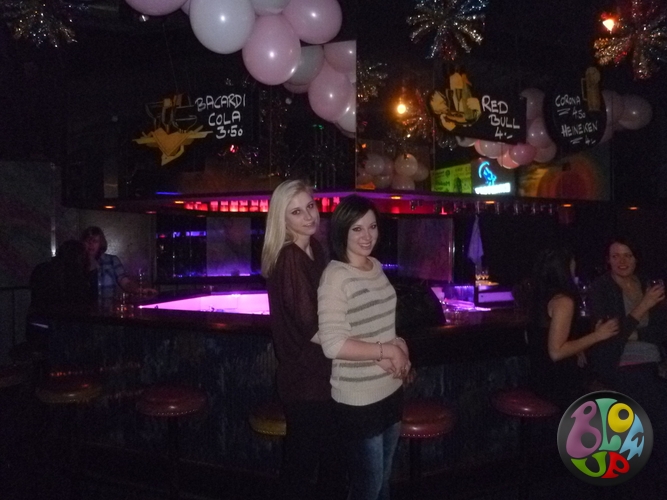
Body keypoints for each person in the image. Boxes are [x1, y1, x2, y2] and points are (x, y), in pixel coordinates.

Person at [317, 194, 411, 500]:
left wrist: (400, 345)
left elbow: (380, 326)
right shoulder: (335, 277)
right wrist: (387, 351)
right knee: (367, 487)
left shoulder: (376, 266)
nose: (367, 235)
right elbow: (332, 344)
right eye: (357, 228)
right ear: (342, 231)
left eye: (372, 226)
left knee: (384, 482)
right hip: (358, 399)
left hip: (390, 388)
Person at [260, 180, 345, 500]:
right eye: (296, 212)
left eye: (310, 206)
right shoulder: (291, 257)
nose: (309, 216)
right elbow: (315, 328)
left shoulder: (316, 250)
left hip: (321, 373)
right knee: (306, 468)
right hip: (305, 379)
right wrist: (370, 351)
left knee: (326, 464)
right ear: (282, 220)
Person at [588, 237, 667, 497]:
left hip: (654, 361)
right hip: (620, 364)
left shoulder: (647, 284)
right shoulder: (601, 287)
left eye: (627, 255)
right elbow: (609, 335)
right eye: (615, 256)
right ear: (608, 260)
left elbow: (661, 330)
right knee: (655, 424)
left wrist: (632, 331)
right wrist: (643, 307)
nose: (621, 261)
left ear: (636, 258)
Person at [527, 247, 619, 409]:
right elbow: (556, 352)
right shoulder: (563, 301)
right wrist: (598, 335)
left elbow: (544, 337)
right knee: (613, 394)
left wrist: (578, 347)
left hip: (537, 376)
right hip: (557, 384)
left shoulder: (540, 295)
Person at [27, 239, 95, 348]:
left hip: (35, 325)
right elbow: (82, 303)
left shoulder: (41, 268)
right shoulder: (74, 276)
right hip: (59, 331)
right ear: (80, 257)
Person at [81, 226, 156, 301]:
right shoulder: (78, 262)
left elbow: (125, 282)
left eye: (95, 241)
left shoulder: (111, 261)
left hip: (108, 307)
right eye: (88, 241)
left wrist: (140, 290)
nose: (91, 244)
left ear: (100, 243)